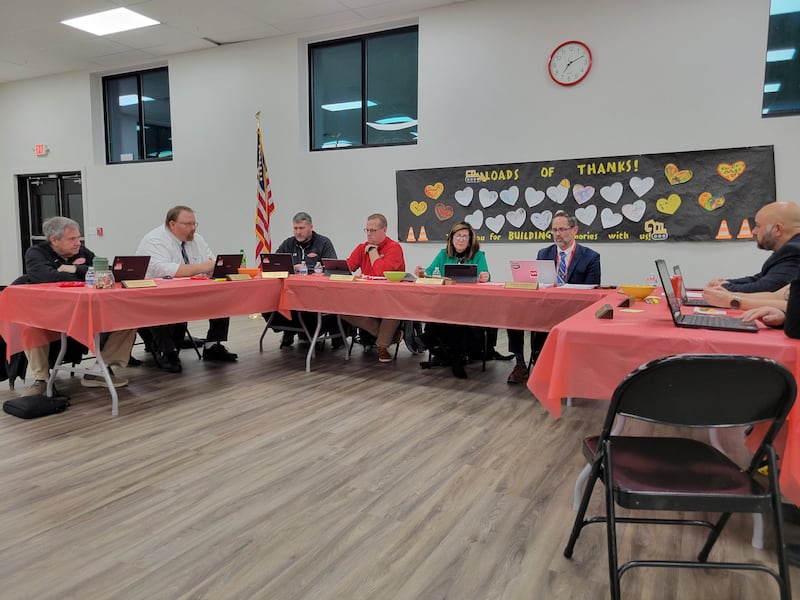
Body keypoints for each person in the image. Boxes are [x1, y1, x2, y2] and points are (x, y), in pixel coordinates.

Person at [19, 216, 135, 395]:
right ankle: (41, 378)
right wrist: (86, 274)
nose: (77, 243)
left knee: (128, 320)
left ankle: (98, 371)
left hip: (85, 309)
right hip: (51, 312)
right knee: (30, 327)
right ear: (54, 240)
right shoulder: (36, 253)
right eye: (71, 239)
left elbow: (105, 271)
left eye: (78, 238)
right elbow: (48, 277)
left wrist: (75, 269)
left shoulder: (82, 252)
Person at [136, 205, 238, 372]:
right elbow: (165, 270)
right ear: (172, 224)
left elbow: (211, 262)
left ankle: (212, 345)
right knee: (157, 307)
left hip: (191, 291)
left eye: (194, 224)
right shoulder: (155, 240)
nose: (193, 228)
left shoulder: (196, 239)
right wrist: (201, 267)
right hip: (156, 295)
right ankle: (167, 352)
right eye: (188, 224)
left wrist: (213, 266)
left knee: (221, 296)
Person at [506, 210, 601, 384]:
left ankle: (549, 362)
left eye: (562, 229)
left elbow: (593, 291)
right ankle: (520, 362)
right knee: (514, 314)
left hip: (574, 310)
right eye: (554, 230)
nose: (557, 234)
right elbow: (539, 282)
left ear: (575, 230)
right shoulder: (544, 253)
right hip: (545, 306)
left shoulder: (590, 257)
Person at [415, 221, 490, 378]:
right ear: (451, 238)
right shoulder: (443, 254)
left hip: (469, 304)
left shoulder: (478, 256)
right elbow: (428, 273)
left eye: (465, 236)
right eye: (458, 236)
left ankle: (446, 353)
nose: (461, 239)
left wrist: (485, 277)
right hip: (445, 303)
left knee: (454, 319)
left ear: (470, 240)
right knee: (441, 315)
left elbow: (486, 276)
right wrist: (421, 272)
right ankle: (453, 358)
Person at [265, 211, 338, 348]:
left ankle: (303, 330)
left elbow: (332, 266)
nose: (298, 232)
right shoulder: (288, 243)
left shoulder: (323, 243)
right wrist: (293, 268)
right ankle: (289, 329)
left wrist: (308, 268)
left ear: (311, 227)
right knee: (266, 301)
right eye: (295, 228)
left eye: (301, 228)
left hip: (315, 293)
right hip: (289, 293)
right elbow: (273, 263)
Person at [342, 213, 406, 363]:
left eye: (373, 230)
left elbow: (381, 272)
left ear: (384, 230)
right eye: (367, 230)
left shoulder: (394, 248)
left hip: (390, 297)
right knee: (341, 308)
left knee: (395, 309)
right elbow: (348, 267)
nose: (369, 234)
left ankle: (382, 345)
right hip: (366, 296)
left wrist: (372, 251)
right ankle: (391, 336)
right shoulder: (361, 247)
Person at [706, 201, 800, 293]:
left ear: (777, 229)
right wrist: (727, 283)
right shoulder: (789, 249)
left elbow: (767, 288)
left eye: (758, 226)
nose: (753, 232)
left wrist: (724, 288)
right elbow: (761, 278)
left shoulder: (794, 250)